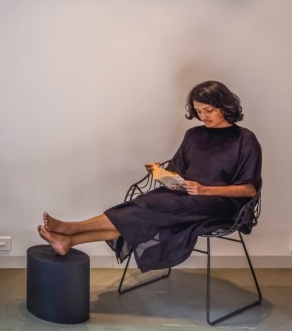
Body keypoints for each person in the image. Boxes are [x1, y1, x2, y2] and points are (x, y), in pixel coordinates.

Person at [38, 80, 262, 272]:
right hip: (185, 197)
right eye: (198, 111)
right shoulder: (193, 135)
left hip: (222, 205)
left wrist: (205, 190)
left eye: (209, 110)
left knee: (148, 208)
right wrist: (160, 173)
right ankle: (69, 240)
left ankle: (71, 229)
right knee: (143, 208)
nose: (203, 116)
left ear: (224, 105)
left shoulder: (244, 139)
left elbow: (248, 189)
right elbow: (178, 172)